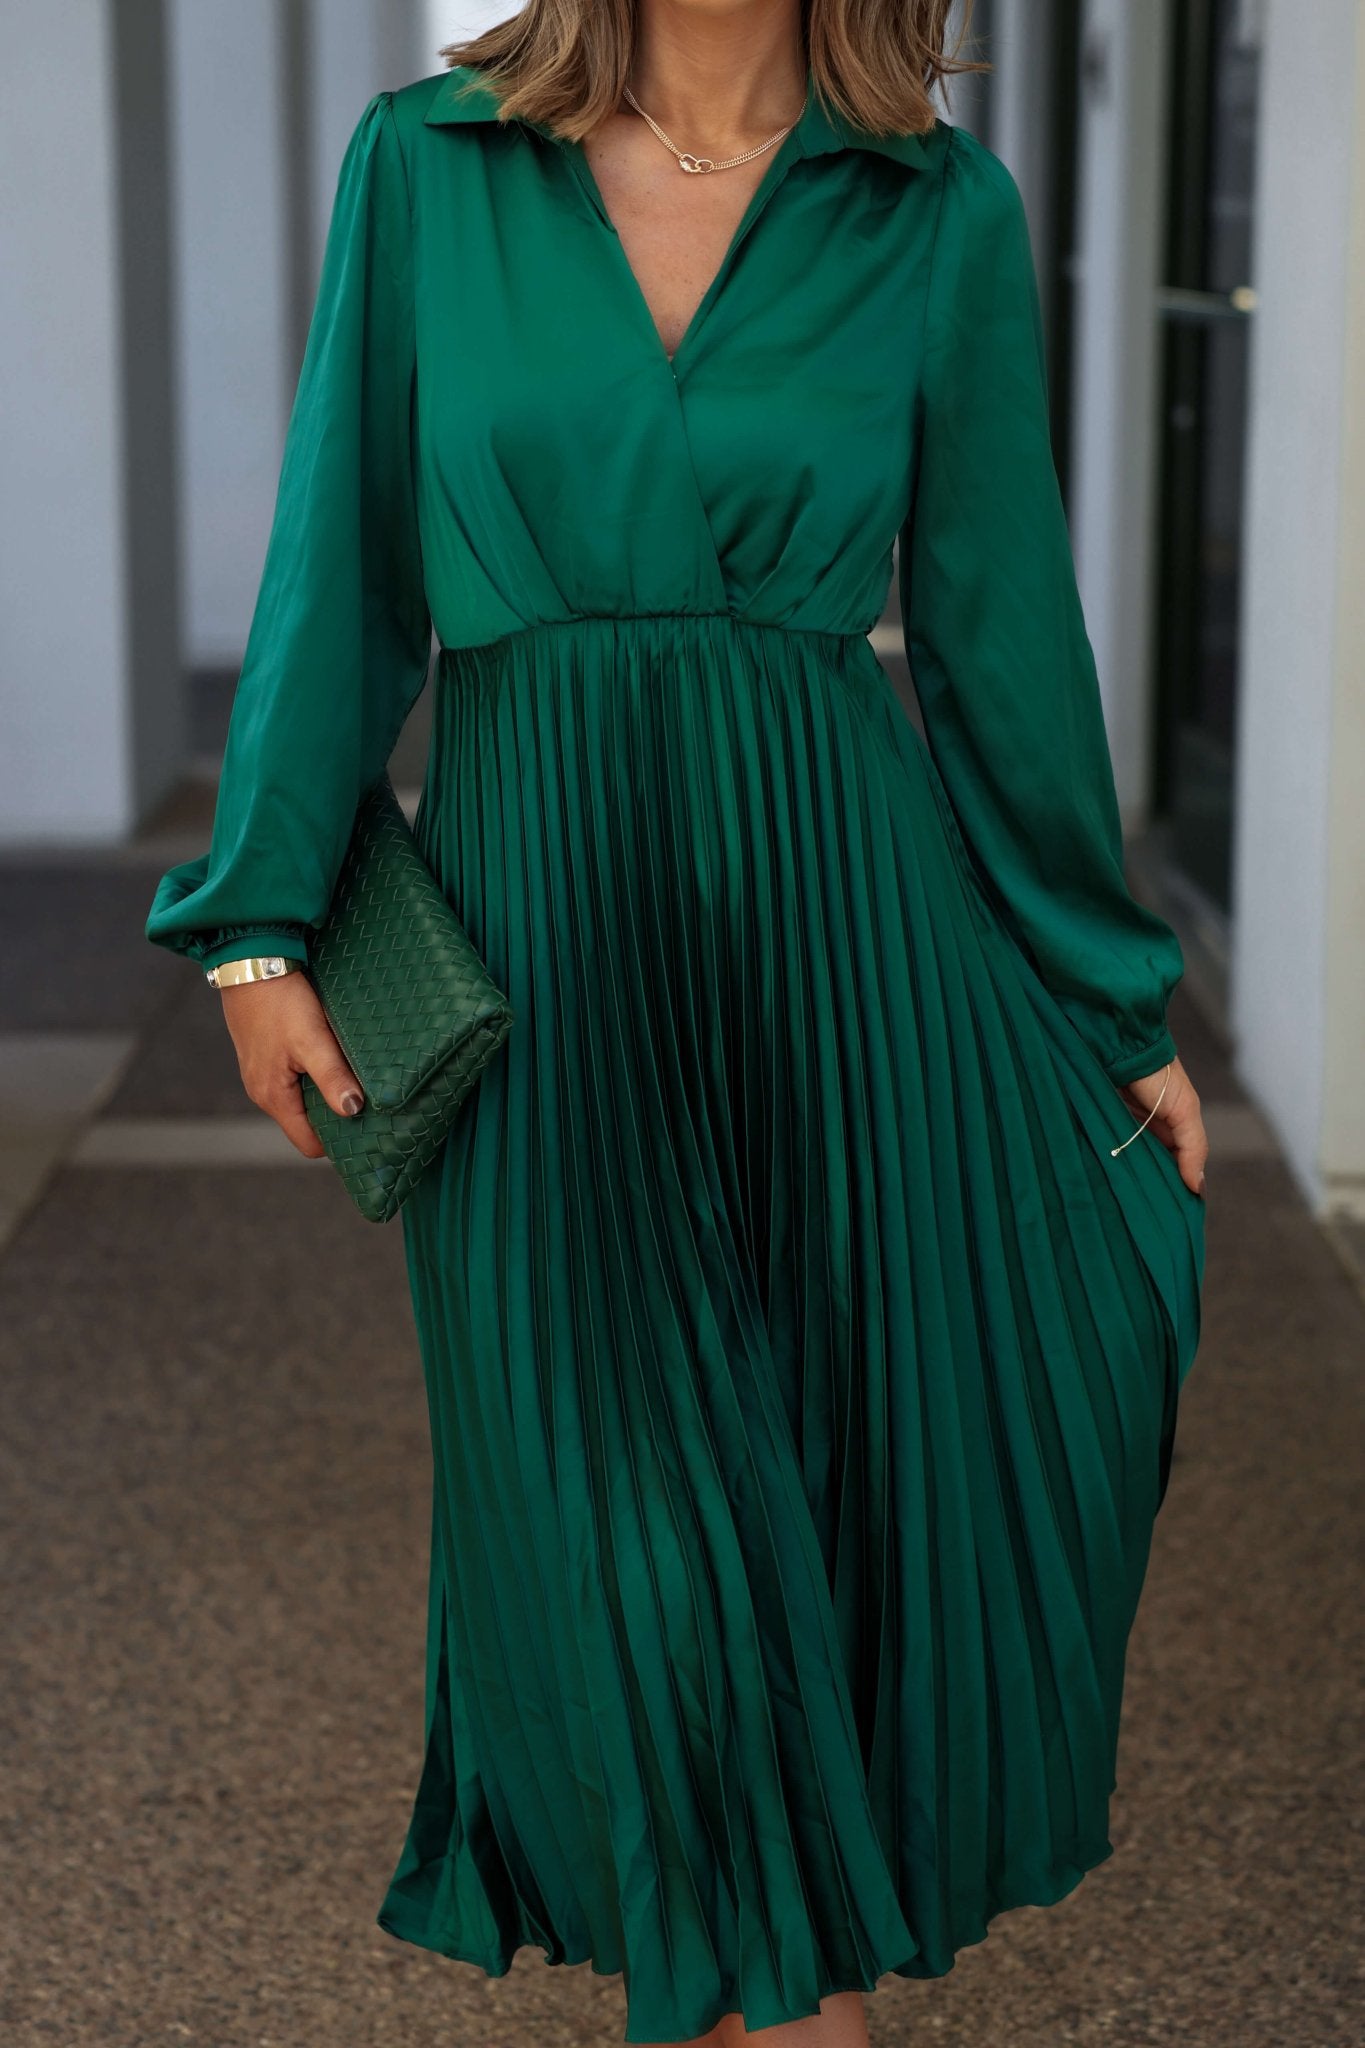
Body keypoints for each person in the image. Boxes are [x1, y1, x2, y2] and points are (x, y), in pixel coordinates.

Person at [145, 2, 1210, 2042]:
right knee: (622, 1530)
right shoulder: (429, 165)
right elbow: (342, 564)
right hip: (540, 959)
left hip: (842, 958)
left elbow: (997, 632)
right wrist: (258, 928)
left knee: (812, 1493)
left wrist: (1108, 991)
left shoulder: (933, 208)